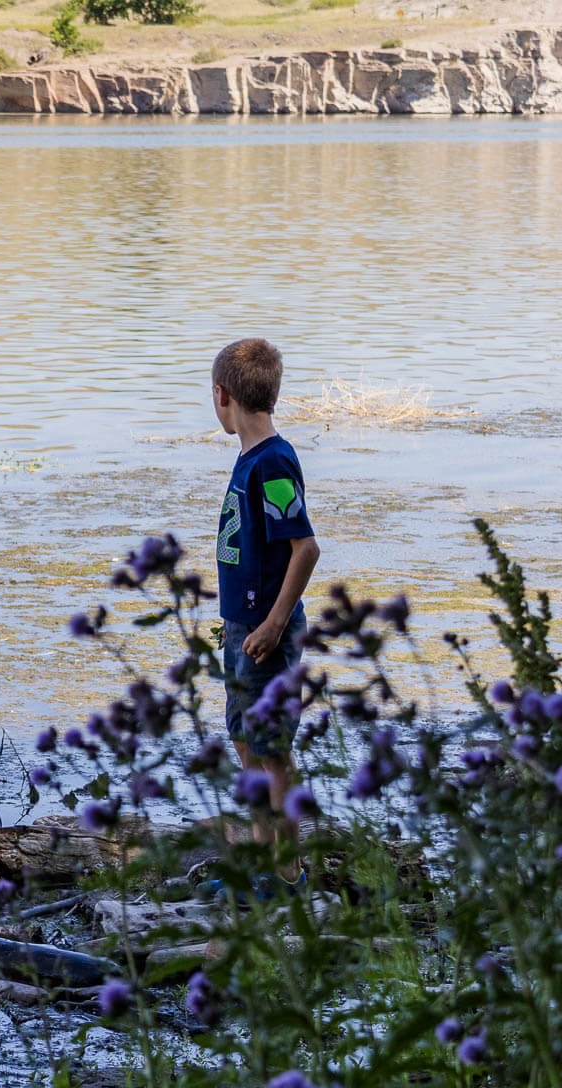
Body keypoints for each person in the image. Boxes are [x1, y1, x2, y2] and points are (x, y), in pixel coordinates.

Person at [210, 338, 320, 889]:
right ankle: (260, 865)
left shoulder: (272, 462)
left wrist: (275, 623)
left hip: (266, 633)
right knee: (248, 742)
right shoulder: (249, 459)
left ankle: (288, 875)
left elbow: (305, 548)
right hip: (242, 630)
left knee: (273, 753)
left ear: (221, 395)